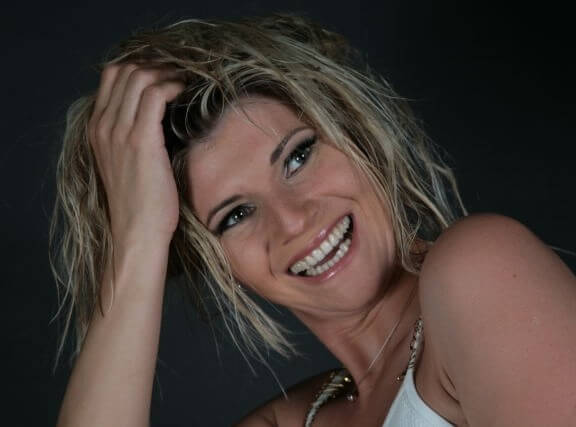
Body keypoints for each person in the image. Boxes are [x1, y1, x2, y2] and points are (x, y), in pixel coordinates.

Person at [51, 14, 576, 426]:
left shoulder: (479, 269)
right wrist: (139, 239)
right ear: (216, 263)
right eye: (236, 215)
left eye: (298, 157)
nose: (293, 220)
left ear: (355, 134)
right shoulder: (292, 420)